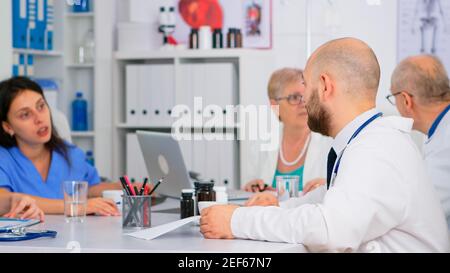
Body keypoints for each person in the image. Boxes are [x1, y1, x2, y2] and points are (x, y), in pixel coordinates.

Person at [199, 38, 449, 252]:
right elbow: (331, 196)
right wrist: (278, 206)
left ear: (326, 86)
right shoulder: (368, 140)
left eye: (306, 86)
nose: (303, 100)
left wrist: (236, 221)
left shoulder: (375, 149)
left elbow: (329, 229)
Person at [0, 77, 148, 216]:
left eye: (41, 106)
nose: (39, 119)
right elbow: (4, 200)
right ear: (7, 127)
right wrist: (75, 206)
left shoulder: (70, 153)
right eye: (25, 114)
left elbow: (87, 189)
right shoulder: (4, 159)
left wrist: (122, 187)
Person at [242, 68, 332, 194]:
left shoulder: (330, 142)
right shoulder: (261, 143)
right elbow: (248, 188)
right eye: (294, 97)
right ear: (274, 105)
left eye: (306, 96)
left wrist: (328, 185)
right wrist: (250, 187)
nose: (303, 103)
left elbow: (346, 190)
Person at [389, 54, 450, 229]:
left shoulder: (445, 145)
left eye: (393, 97)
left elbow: (418, 210)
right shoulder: (439, 129)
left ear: (406, 100)